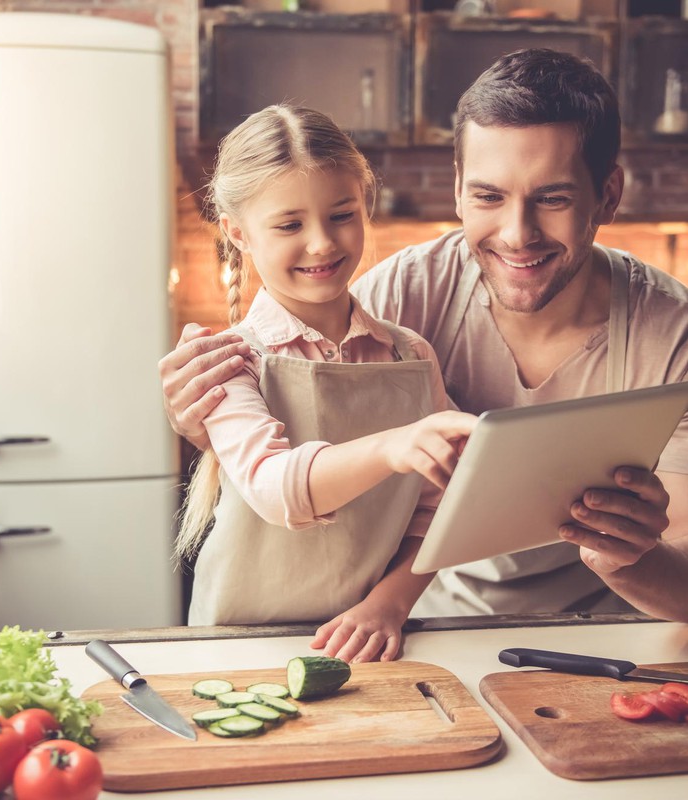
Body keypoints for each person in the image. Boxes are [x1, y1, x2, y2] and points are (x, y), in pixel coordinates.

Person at [160, 49, 688, 624]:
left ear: (608, 196)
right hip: (430, 626)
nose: (517, 234)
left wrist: (627, 561)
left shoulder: (669, 335)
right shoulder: (403, 294)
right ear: (458, 187)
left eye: (553, 197)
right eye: (489, 196)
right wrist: (205, 421)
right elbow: (292, 460)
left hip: (608, 628)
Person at [172, 104, 477, 663]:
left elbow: (442, 509)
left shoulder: (410, 354)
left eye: (342, 214)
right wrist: (393, 445)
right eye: (290, 225)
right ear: (237, 233)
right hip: (236, 643)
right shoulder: (229, 360)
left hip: (370, 641)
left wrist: (389, 604)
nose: (322, 243)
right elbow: (272, 487)